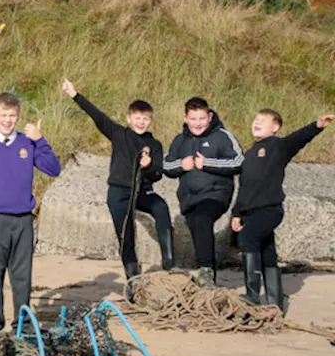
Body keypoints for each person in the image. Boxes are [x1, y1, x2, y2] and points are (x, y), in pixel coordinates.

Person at [0, 93, 61, 332]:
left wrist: (40, 140)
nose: (8, 120)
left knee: (22, 276)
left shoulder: (27, 143)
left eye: (12, 115)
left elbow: (53, 169)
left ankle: (22, 326)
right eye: (3, 115)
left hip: (23, 220)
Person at [61, 80, 174, 279]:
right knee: (125, 235)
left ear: (151, 120)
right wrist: (74, 94)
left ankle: (169, 261)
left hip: (142, 191)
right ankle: (133, 277)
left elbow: (158, 173)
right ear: (129, 118)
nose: (141, 122)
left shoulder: (154, 144)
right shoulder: (118, 133)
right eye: (137, 118)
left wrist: (148, 167)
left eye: (146, 118)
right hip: (118, 192)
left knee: (161, 207)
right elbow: (97, 115)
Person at [231, 109, 333, 312]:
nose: (256, 123)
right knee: (268, 252)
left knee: (247, 239)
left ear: (275, 127)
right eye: (255, 119)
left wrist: (317, 126)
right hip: (249, 211)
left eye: (263, 120)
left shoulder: (278, 146)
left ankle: (252, 293)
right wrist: (236, 213)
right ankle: (274, 301)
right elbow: (245, 187)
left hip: (269, 210)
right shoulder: (250, 153)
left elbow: (298, 139)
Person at [162, 97, 243, 287]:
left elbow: (238, 161)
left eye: (201, 118)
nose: (197, 123)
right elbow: (166, 165)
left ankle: (206, 271)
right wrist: (182, 165)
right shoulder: (180, 139)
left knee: (202, 219)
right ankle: (204, 276)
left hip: (216, 194)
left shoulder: (222, 136)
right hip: (189, 199)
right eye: (193, 119)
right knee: (198, 230)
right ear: (185, 118)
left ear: (210, 116)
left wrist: (206, 163)